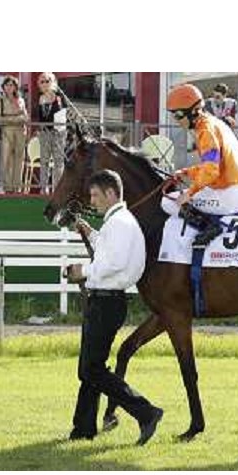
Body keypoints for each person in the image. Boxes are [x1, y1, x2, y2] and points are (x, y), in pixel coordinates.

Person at [65, 170, 163, 444]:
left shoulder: (119, 223)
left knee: (92, 370)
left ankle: (146, 412)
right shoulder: (118, 222)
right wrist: (90, 233)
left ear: (110, 194)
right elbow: (110, 252)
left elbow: (114, 263)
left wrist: (81, 270)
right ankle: (83, 429)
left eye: (96, 195)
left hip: (106, 302)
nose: (92, 201)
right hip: (106, 301)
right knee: (89, 368)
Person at [162, 83, 238, 247]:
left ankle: (209, 227)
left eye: (178, 115)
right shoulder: (212, 123)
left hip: (229, 196)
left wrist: (189, 193)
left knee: (168, 201)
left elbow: (211, 171)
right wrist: (186, 172)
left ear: (193, 111)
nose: (176, 121)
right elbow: (212, 166)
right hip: (236, 190)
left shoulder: (205, 131)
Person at [0, 76, 28, 193]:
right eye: (7, 85)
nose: (9, 87)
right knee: (6, 159)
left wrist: (10, 118)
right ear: (3, 87)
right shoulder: (0, 100)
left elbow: (26, 117)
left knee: (19, 159)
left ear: (15, 87)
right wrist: (15, 119)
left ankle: (17, 187)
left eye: (12, 85)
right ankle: (7, 186)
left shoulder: (21, 100)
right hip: (6, 131)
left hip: (20, 131)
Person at [36, 72, 66, 193]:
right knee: (44, 161)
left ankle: (57, 188)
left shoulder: (59, 96)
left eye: (47, 81)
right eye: (42, 81)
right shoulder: (40, 97)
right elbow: (40, 117)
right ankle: (44, 189)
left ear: (52, 82)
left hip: (58, 133)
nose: (44, 83)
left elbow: (62, 115)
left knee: (58, 161)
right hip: (45, 133)